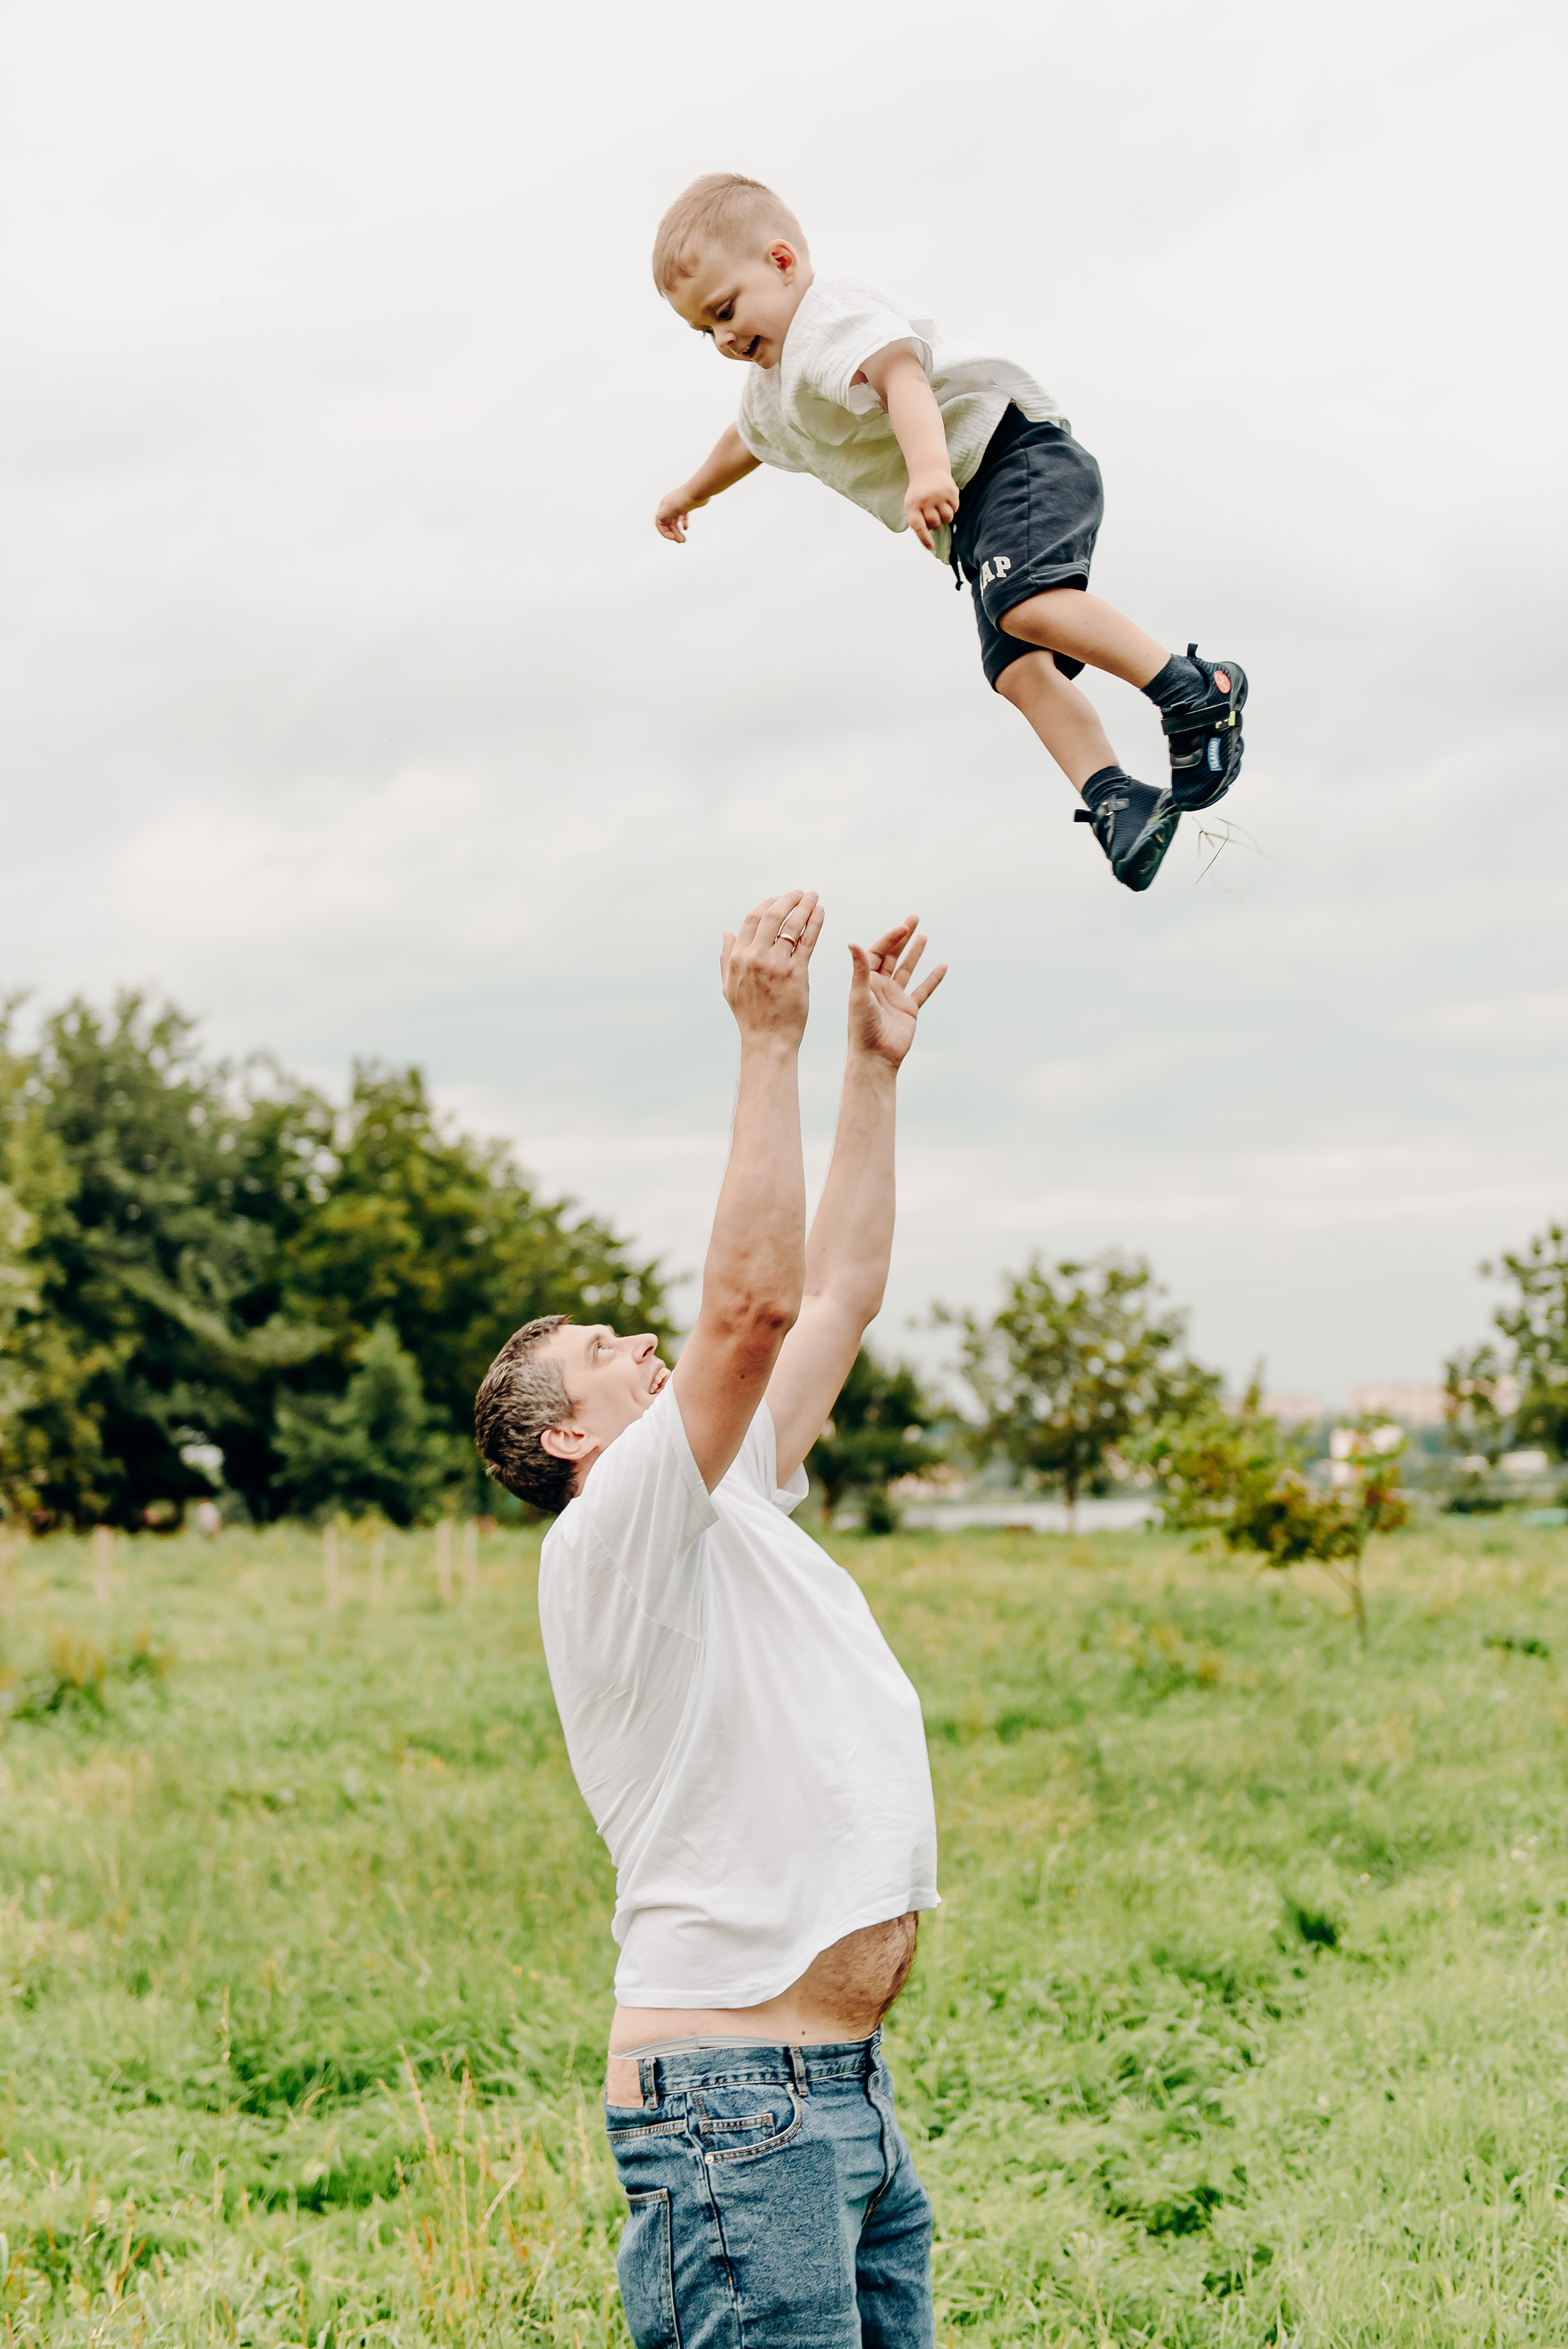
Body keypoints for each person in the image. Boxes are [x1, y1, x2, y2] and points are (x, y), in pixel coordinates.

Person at [474, 890, 947, 2348]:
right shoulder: (611, 1533)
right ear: (565, 1440)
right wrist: (764, 1038)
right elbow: (748, 1308)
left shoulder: (722, 1489)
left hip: (834, 2096)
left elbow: (836, 1294)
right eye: (601, 1354)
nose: (633, 1337)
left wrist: (868, 1070)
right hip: (737, 2108)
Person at [651, 173, 1248, 895]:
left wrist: (929, 468)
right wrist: (692, 489)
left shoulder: (829, 316)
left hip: (1010, 457)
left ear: (781, 262)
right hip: (971, 515)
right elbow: (746, 438)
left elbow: (900, 375)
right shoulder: (772, 385)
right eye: (702, 330)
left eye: (724, 309)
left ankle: (1195, 691)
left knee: (1024, 605)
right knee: (1016, 671)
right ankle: (1116, 797)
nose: (722, 337)